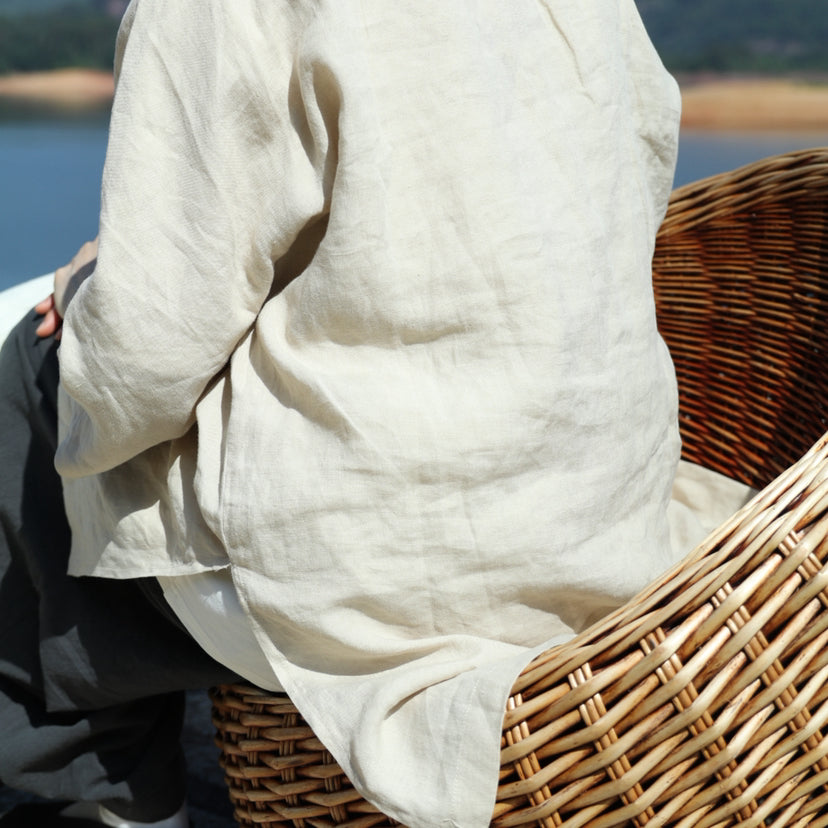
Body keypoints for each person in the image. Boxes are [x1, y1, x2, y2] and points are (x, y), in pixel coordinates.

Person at [0, 0, 687, 826]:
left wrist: (82, 295)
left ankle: (116, 804)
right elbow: (638, 164)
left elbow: (142, 362)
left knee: (28, 380)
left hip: (387, 572)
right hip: (601, 518)